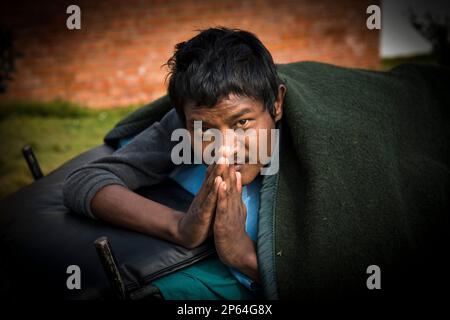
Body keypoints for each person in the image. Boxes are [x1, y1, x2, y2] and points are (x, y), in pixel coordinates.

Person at [63, 27, 286, 299]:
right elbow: (83, 182)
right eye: (205, 131)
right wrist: (180, 227)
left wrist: (242, 254)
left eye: (242, 123)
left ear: (277, 104)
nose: (224, 150)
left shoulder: (324, 149)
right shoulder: (191, 117)